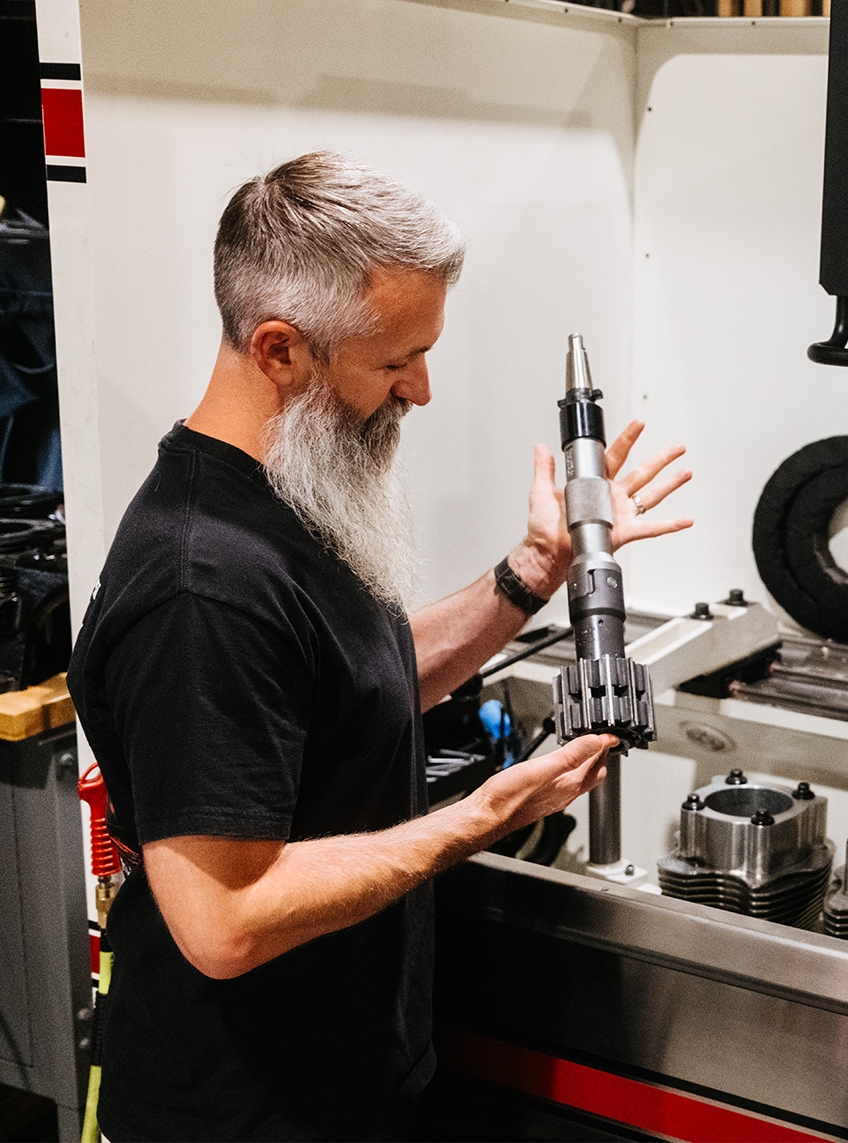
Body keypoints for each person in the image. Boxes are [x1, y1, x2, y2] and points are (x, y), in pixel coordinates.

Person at [65, 151, 691, 1141]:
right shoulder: (202, 589)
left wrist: (535, 566)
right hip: (239, 1113)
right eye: (396, 361)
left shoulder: (280, 496)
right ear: (279, 349)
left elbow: (355, 680)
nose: (424, 390)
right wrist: (478, 817)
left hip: (345, 1079)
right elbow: (223, 924)